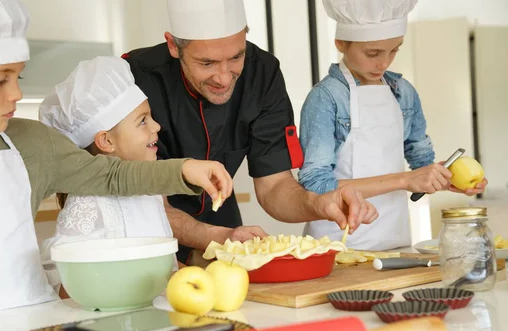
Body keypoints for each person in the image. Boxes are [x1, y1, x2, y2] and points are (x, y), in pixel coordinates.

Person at [0, 0, 233, 320]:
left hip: (33, 329)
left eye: (17, 78)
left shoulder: (32, 142)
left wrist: (185, 169)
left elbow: (111, 177)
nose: (16, 95)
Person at [123, 0, 378, 264]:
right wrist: (217, 237)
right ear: (174, 46)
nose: (223, 78)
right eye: (207, 63)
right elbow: (145, 201)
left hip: (224, 226)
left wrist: (318, 204)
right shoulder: (134, 77)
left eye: (236, 57)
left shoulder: (262, 73)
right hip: (147, 236)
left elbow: (275, 186)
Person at [299, 0, 488, 251]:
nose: (384, 63)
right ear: (341, 43)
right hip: (335, 244)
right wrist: (406, 180)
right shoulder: (326, 98)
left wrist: (445, 177)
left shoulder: (403, 93)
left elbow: (421, 163)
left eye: (394, 50)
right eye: (373, 53)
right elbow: (316, 185)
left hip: (394, 240)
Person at [38, 56, 181, 293]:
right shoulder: (88, 203)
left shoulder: (150, 194)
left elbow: (164, 269)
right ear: (106, 140)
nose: (156, 126)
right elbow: (67, 287)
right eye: (143, 121)